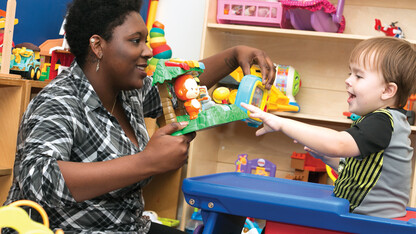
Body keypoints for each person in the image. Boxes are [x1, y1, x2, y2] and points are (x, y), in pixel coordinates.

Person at [3, 0, 276, 233]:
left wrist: (232, 56)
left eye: (145, 41)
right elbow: (39, 179)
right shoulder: (59, 102)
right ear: (97, 46)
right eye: (135, 41)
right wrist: (145, 162)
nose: (147, 51)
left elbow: (178, 87)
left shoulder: (127, 91)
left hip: (128, 226)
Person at [242, 37, 416, 218]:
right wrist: (327, 158)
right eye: (350, 73)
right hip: (361, 217)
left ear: (387, 91)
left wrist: (280, 122)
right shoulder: (380, 121)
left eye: (358, 76)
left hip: (373, 223)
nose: (348, 80)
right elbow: (362, 170)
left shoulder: (383, 122)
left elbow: (337, 144)